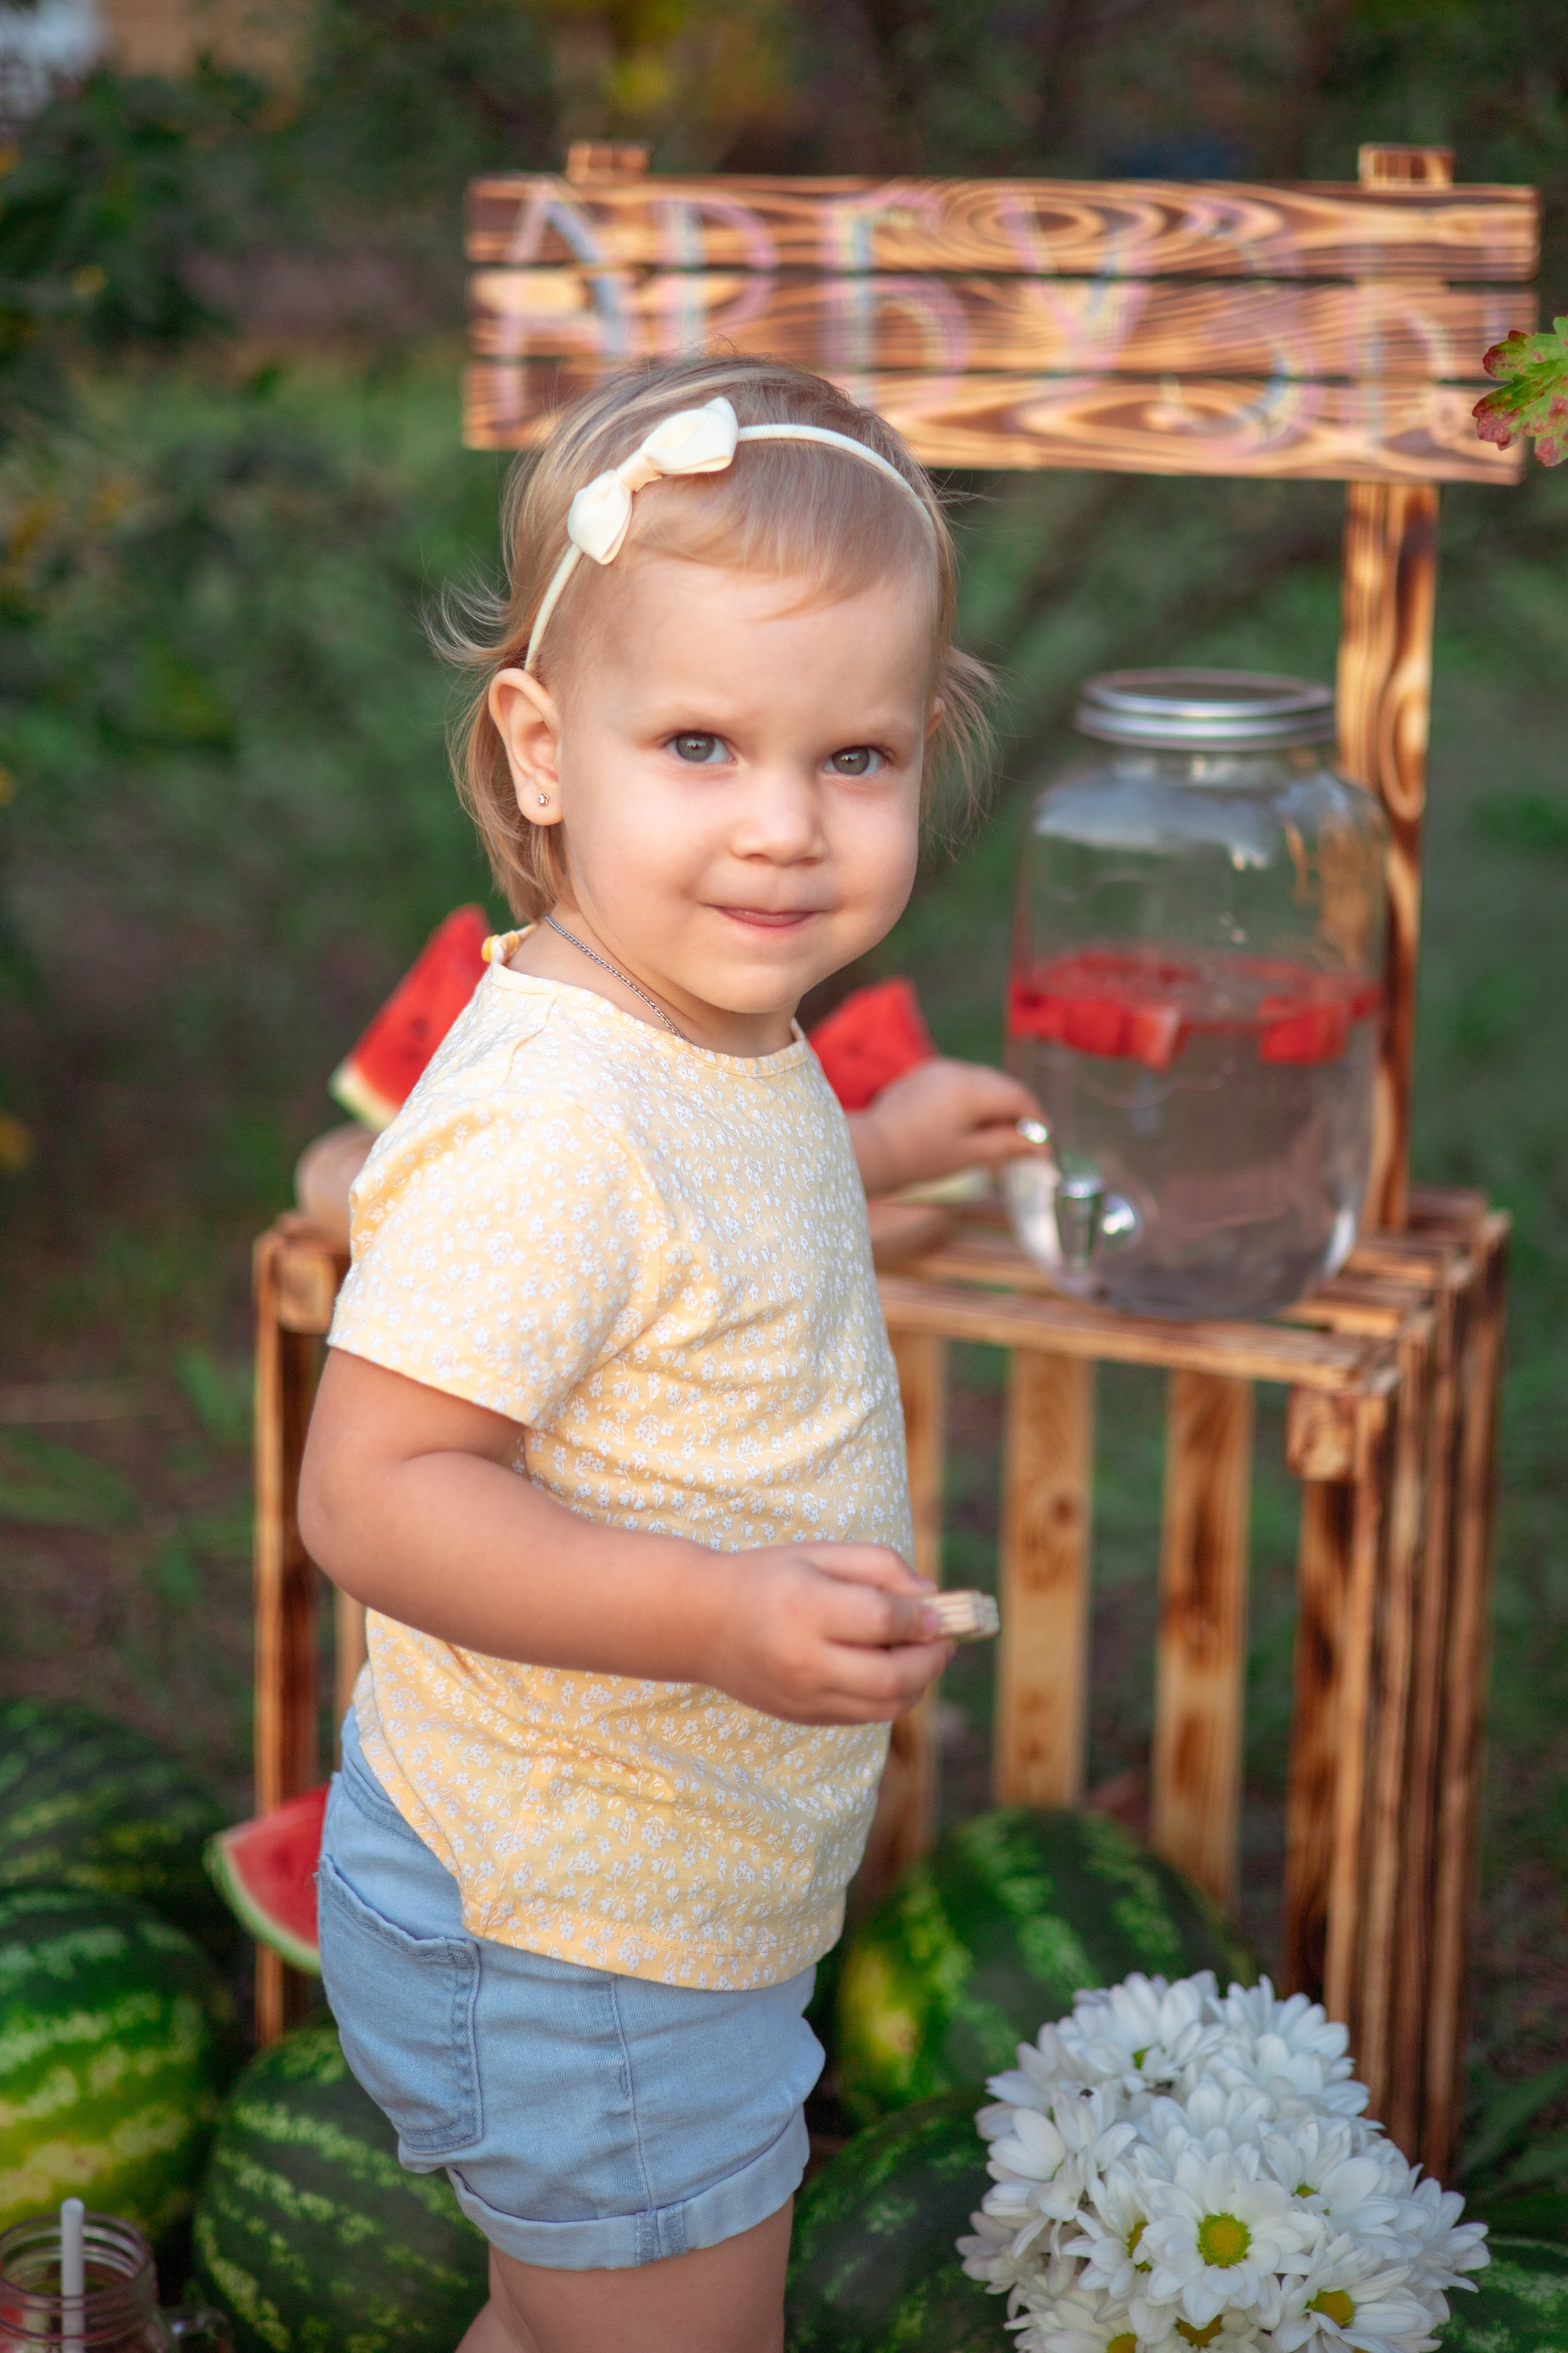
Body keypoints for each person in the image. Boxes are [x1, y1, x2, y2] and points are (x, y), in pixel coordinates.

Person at [298, 353, 1044, 2353]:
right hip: (574, 1946)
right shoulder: (559, 1115)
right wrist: (717, 1616)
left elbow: (687, 1255)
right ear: (543, 749)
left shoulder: (704, 1025)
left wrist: (868, 1152)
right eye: (701, 742)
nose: (786, 829)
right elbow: (371, 1489)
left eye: (856, 758)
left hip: (634, 1908)